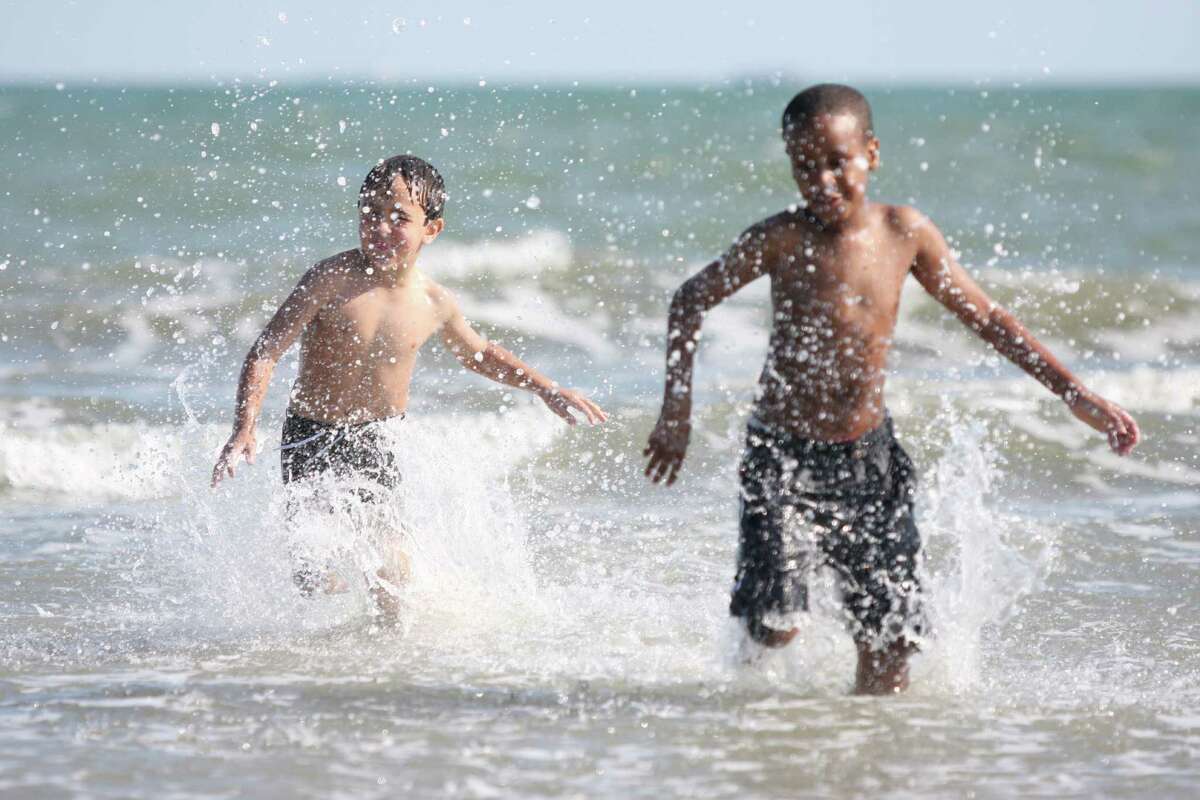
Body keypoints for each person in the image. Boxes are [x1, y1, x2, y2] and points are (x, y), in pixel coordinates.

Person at [642, 84, 1141, 694]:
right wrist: (676, 414)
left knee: (891, 641)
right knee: (773, 623)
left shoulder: (905, 232)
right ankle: (747, 728)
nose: (821, 179)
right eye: (804, 166)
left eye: (837, 162)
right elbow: (689, 299)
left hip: (867, 456)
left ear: (871, 154)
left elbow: (986, 318)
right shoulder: (781, 238)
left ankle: (872, 759)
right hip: (781, 456)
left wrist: (1073, 392)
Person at [211, 154, 608, 617]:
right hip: (311, 435)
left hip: (378, 438)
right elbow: (266, 350)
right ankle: (319, 665)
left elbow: (478, 353)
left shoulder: (433, 301)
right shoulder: (330, 280)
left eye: (400, 218)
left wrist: (546, 388)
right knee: (313, 568)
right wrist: (245, 427)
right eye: (372, 213)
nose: (381, 227)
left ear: (431, 230)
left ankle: (387, 659)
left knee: (390, 571)